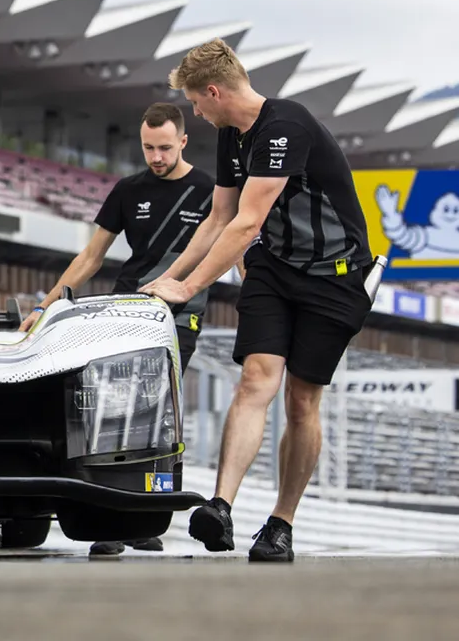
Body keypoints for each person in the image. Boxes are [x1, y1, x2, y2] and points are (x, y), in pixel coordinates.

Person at [142, 38, 373, 562]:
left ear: (215, 91)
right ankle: (220, 507)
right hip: (274, 267)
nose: (195, 113)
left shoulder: (285, 127)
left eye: (197, 103)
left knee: (300, 400)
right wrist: (167, 278)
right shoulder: (232, 135)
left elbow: (246, 222)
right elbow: (218, 219)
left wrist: (190, 288)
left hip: (335, 276)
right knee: (255, 379)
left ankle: (280, 525)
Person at [20, 101, 216, 556]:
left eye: (165, 148)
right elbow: (90, 257)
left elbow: (234, 246)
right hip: (126, 313)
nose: (156, 157)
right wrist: (43, 306)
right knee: (111, 415)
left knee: (156, 416)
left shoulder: (209, 190)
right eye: (148, 148)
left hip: (177, 318)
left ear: (183, 141)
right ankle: (111, 523)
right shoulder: (128, 190)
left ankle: (142, 519)